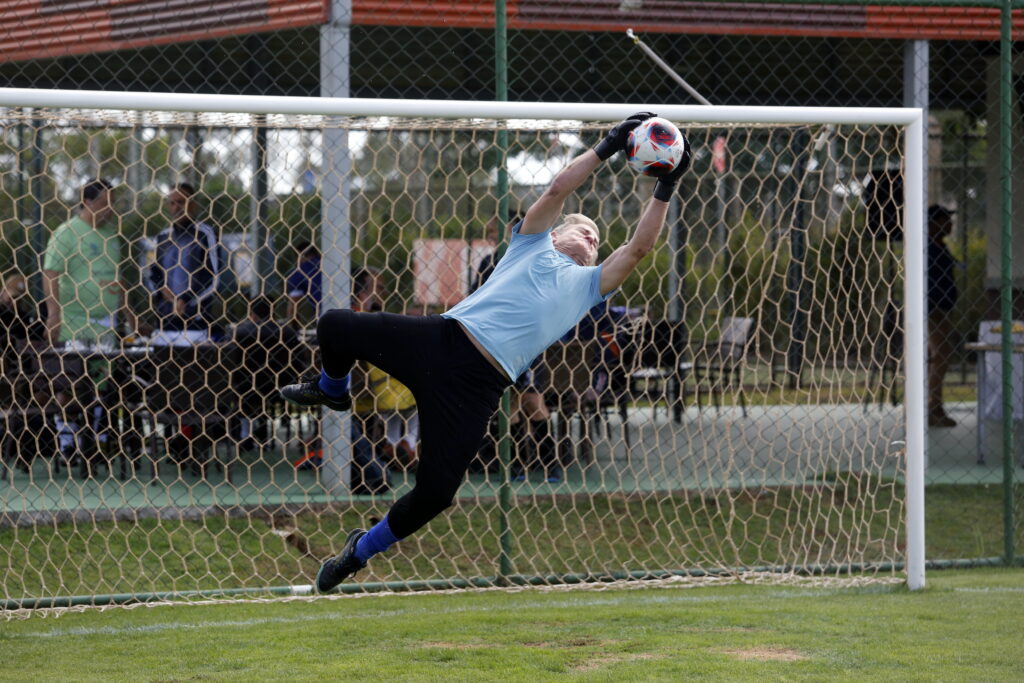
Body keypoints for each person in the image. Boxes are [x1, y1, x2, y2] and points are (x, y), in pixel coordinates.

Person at [281, 112, 690, 592]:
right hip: (442, 340)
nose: (592, 241)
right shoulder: (529, 245)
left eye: (598, 241)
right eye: (584, 231)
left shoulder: (589, 287)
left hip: (479, 387)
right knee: (334, 326)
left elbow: (639, 247)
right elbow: (559, 189)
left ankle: (357, 552)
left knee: (436, 494)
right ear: (555, 234)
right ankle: (333, 390)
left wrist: (667, 187)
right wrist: (609, 145)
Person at [42, 179, 134, 475]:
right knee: (70, 382)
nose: (110, 208)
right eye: (106, 201)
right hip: (73, 321)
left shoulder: (112, 236)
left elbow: (118, 280)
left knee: (101, 385)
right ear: (88, 201)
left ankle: (94, 442)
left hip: (105, 324)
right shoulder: (66, 233)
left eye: (112, 202)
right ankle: (67, 442)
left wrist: (127, 313)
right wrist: (54, 313)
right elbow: (51, 272)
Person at [144, 182, 223, 346]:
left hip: (195, 327)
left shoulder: (205, 234)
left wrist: (185, 300)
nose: (177, 207)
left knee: (192, 370)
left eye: (181, 202)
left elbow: (212, 276)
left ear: (192, 204)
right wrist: (161, 290)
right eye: (172, 203)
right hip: (164, 326)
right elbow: (154, 273)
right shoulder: (162, 237)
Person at [232, 295, 299, 450]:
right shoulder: (287, 332)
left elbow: (232, 362)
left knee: (244, 392)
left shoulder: (241, 332)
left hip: (246, 387)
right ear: (273, 311)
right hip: (280, 387)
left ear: (252, 313)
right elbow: (298, 362)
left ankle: (245, 435)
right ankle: (260, 432)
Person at [926, 204, 959, 428]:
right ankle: (932, 408)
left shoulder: (940, 246)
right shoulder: (927, 249)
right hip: (931, 310)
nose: (950, 224)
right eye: (945, 219)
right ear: (933, 223)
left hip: (941, 309)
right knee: (940, 356)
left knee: (941, 356)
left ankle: (934, 405)